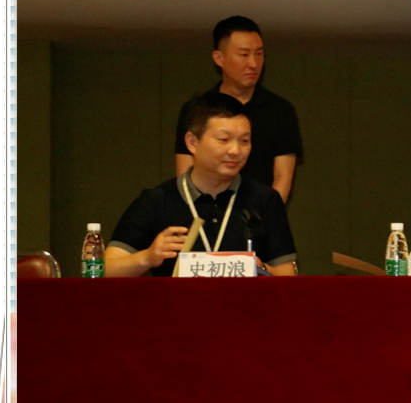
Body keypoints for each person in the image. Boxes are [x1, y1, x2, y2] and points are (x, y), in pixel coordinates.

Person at [111, 91, 297, 277]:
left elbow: (287, 272)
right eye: (224, 139)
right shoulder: (157, 201)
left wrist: (261, 269)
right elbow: (107, 269)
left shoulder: (265, 200)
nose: (235, 150)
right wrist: (147, 257)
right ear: (192, 142)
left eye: (244, 141)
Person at [174, 16, 303, 203]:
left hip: (259, 213)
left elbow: (282, 178)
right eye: (244, 54)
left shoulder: (280, 110)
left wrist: (266, 214)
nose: (253, 63)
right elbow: (185, 173)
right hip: (205, 212)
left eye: (259, 54)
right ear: (219, 58)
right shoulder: (197, 109)